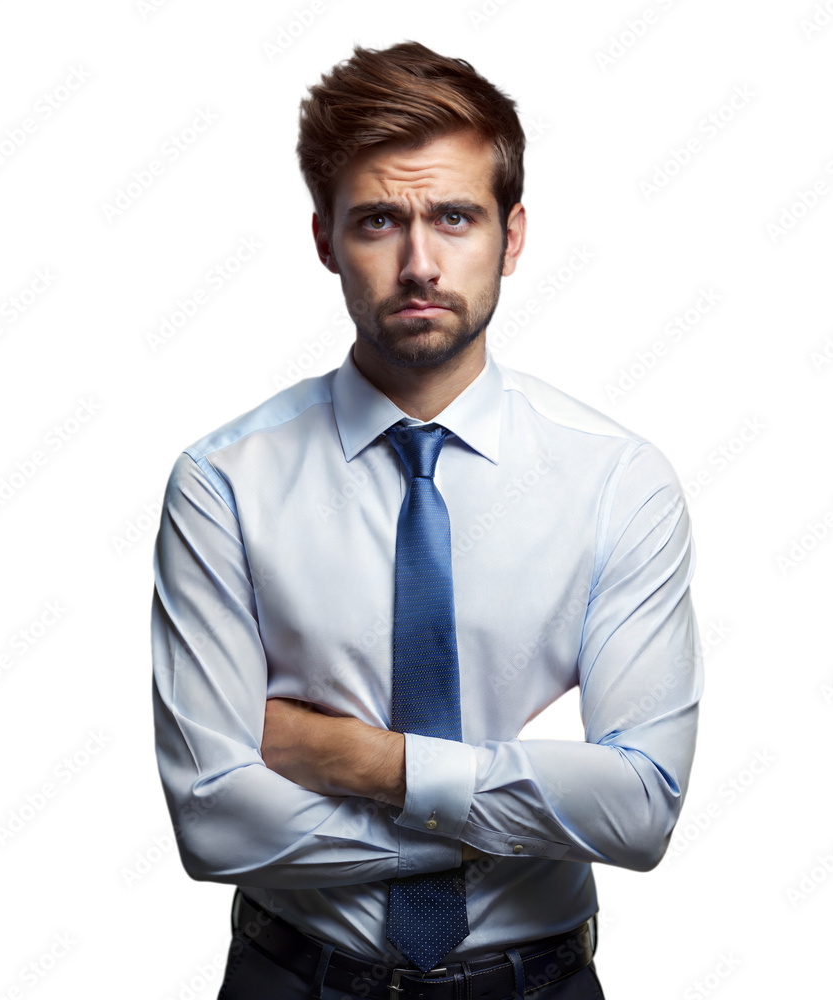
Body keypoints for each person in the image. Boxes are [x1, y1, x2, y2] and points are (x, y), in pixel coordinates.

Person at [151, 40, 703, 1000]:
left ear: (513, 235)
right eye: (377, 221)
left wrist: (368, 762)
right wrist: (512, 818)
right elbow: (214, 823)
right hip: (293, 979)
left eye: (455, 216)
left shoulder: (617, 482)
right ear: (324, 238)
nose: (419, 263)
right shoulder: (222, 484)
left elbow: (643, 810)